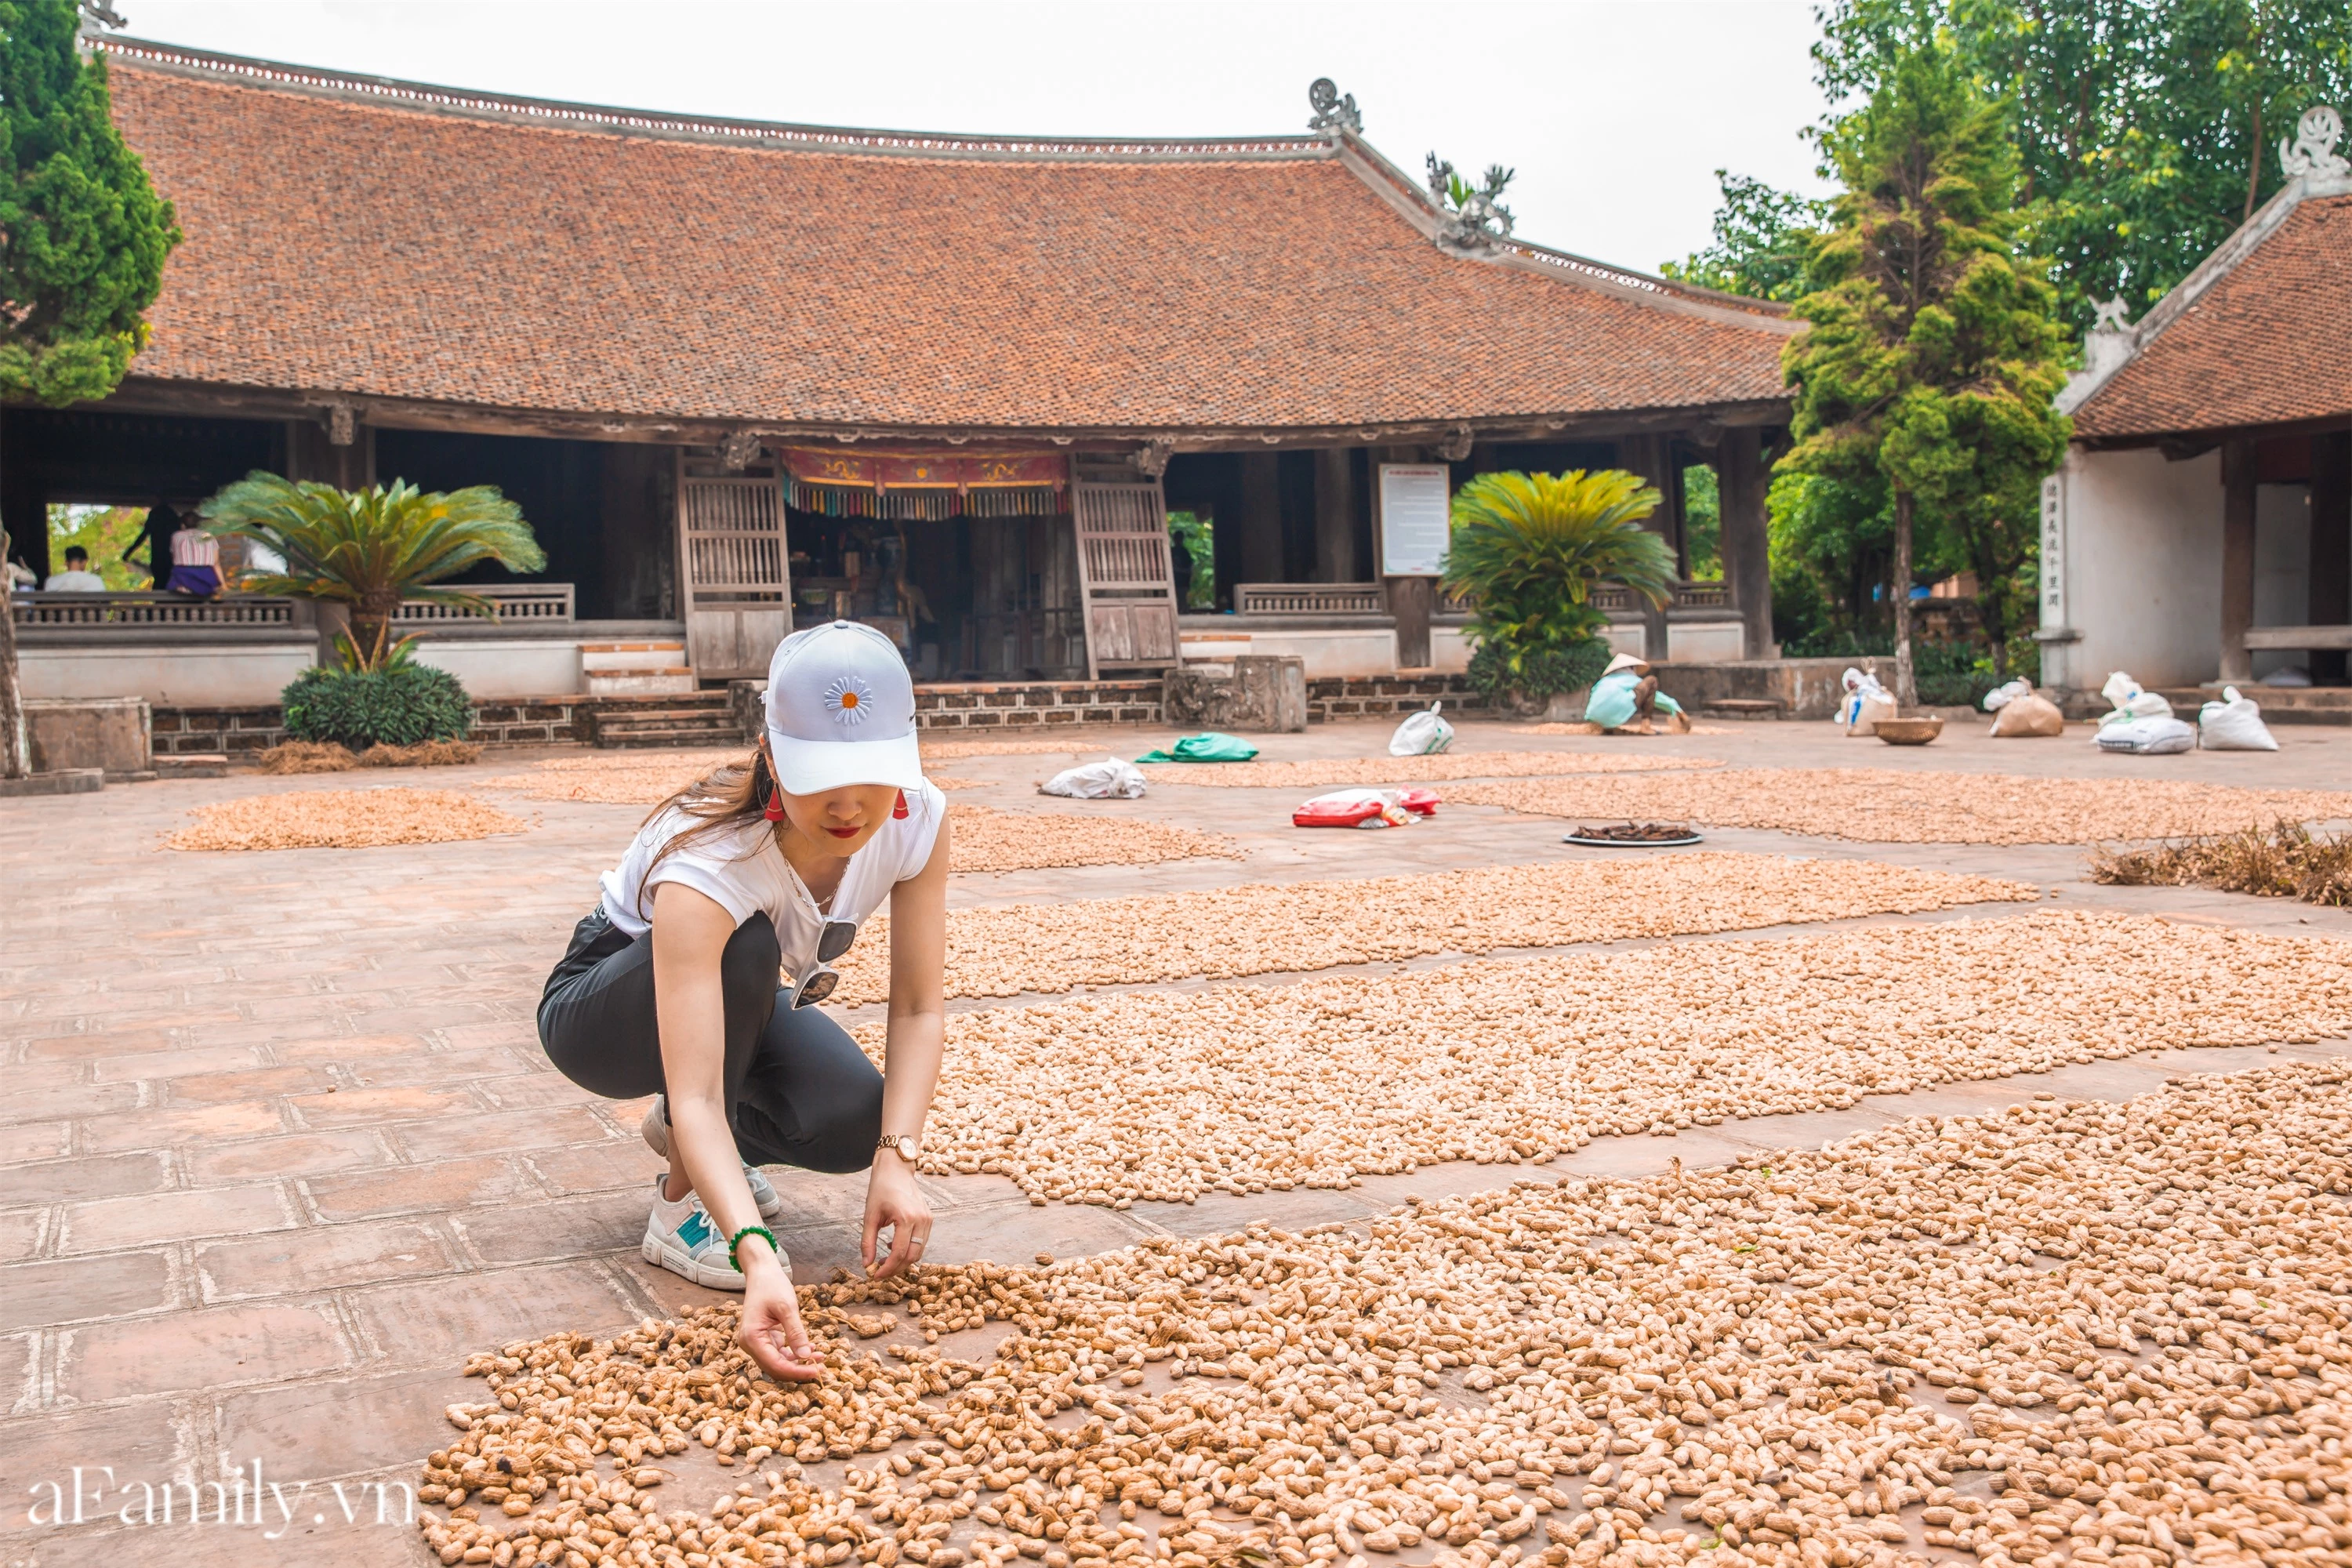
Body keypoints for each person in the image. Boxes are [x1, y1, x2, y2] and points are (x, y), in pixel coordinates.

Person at [539, 620, 949, 1382]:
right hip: (600, 1013)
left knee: (859, 1119)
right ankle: (680, 1205)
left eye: (873, 773)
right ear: (770, 757)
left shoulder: (917, 816)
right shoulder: (710, 861)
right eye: (819, 775)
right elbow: (694, 1092)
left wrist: (898, 1159)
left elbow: (920, 1004)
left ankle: (700, 1150)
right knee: (748, 945)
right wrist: (753, 1252)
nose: (849, 803)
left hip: (738, 1004)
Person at [1584, 652, 1691, 735]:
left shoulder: (1603, 681)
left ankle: (1606, 728)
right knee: (1651, 681)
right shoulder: (1629, 679)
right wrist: (1676, 709)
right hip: (1613, 711)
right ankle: (1646, 726)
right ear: (1630, 668)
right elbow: (1658, 698)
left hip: (1594, 717)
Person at [162, 510, 223, 597]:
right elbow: (216, 563)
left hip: (182, 579)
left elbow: (173, 557)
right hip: (205, 578)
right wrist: (223, 585)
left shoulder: (176, 536)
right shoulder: (209, 536)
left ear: (183, 525)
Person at [123, 503, 179, 590]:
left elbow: (143, 536)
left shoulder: (156, 514)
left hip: (158, 556)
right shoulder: (172, 515)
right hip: (171, 557)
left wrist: (129, 552)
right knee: (168, 581)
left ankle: (159, 601)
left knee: (160, 581)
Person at [43, 546, 107, 592]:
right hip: (87, 611)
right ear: (84, 562)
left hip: (61, 610)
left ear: (66, 562)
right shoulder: (95, 580)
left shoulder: (52, 581)